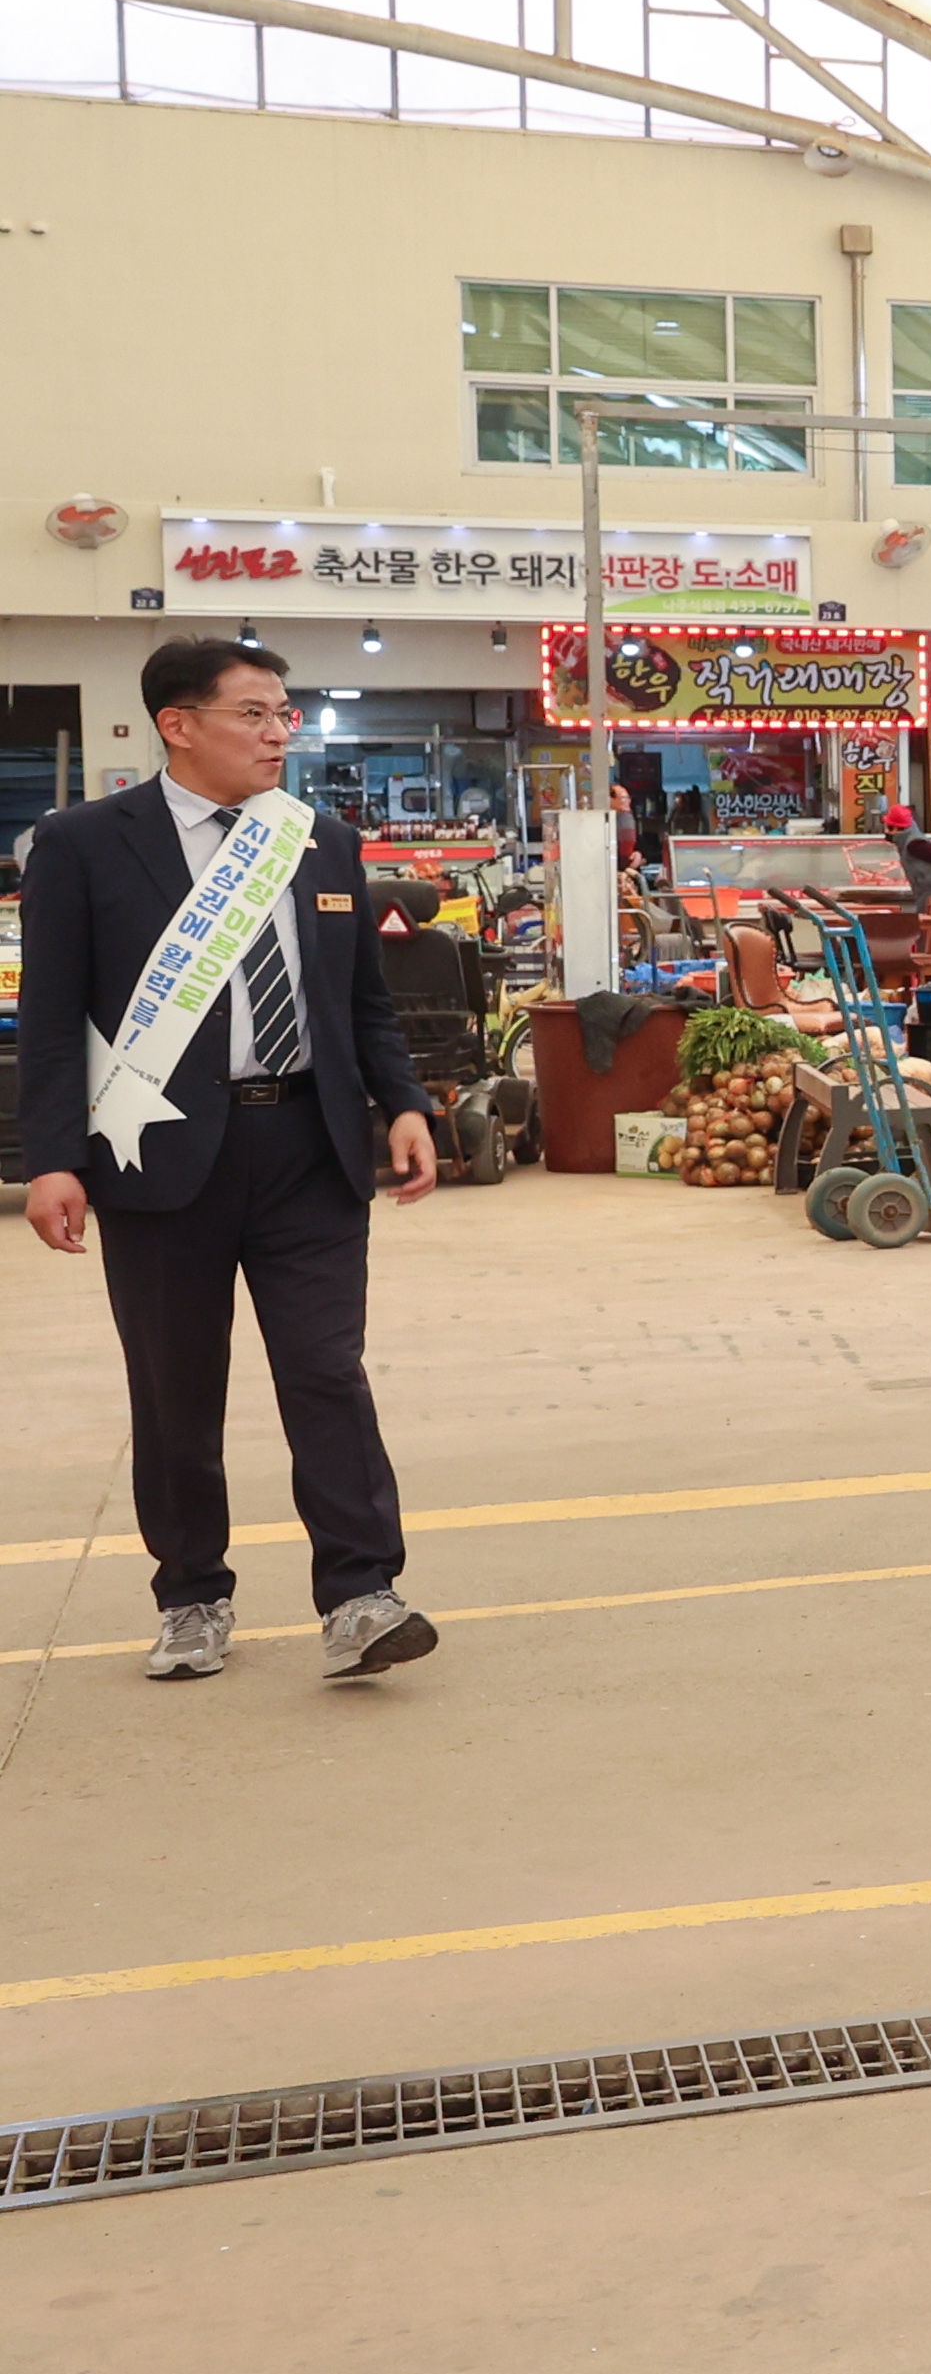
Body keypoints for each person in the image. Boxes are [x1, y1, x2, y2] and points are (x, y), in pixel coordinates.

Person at [16, 637, 441, 1686]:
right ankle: (193, 1594)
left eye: (284, 713)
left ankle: (360, 1593)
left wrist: (405, 1101)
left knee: (324, 1371)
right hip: (157, 1150)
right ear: (179, 723)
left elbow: (361, 1002)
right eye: (255, 713)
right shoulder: (81, 844)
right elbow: (52, 1015)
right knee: (175, 1386)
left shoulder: (321, 840)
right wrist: (54, 1157)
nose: (278, 732)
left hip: (311, 1146)